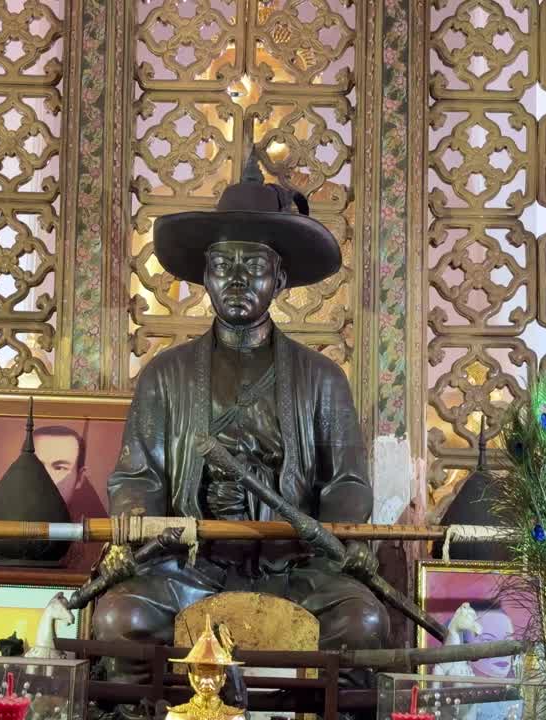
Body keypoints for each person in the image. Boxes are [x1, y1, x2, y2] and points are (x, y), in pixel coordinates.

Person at [90, 149, 388, 712]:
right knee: (120, 616)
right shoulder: (166, 374)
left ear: (279, 277)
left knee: (363, 621)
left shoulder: (322, 379)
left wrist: (343, 534)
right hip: (190, 568)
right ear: (205, 273)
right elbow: (136, 474)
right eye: (224, 266)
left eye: (253, 267)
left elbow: (348, 482)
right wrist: (139, 518)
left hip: (294, 566)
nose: (237, 280)